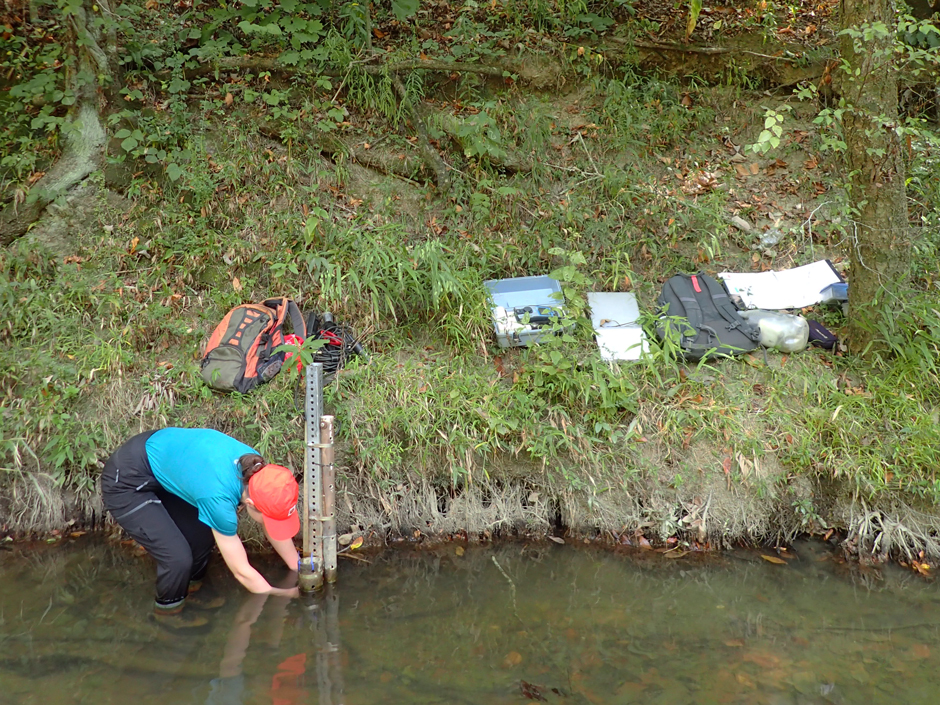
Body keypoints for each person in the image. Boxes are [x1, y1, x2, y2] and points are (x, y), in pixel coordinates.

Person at [101, 427, 301, 628]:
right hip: (127, 479)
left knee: (201, 537)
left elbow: (269, 517)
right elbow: (241, 571)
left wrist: (298, 567)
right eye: (269, 518)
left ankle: (193, 591)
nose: (270, 523)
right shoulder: (218, 499)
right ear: (249, 503)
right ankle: (167, 614)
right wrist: (280, 593)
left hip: (167, 462)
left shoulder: (257, 469)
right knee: (176, 558)